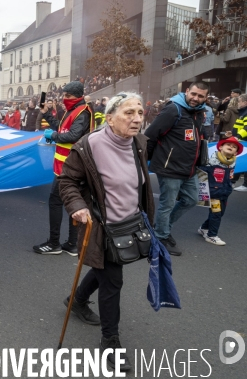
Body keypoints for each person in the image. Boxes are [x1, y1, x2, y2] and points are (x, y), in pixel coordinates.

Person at [59, 92, 154, 373]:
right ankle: (110, 342)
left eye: (139, 112)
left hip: (131, 223)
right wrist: (77, 206)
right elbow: (67, 181)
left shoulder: (139, 142)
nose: (137, 118)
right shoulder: (88, 146)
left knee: (106, 266)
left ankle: (75, 301)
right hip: (101, 226)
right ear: (110, 118)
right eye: (129, 113)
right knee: (113, 281)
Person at [144, 81, 208, 256]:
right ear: (187, 91)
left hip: (189, 168)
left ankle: (163, 228)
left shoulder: (199, 112)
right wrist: (145, 160)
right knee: (167, 203)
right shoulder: (173, 109)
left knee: (191, 200)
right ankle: (161, 236)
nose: (196, 98)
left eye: (200, 96)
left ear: (205, 97)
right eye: (193, 94)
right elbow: (150, 134)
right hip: (169, 168)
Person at [32, 81, 93, 256]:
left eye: (68, 96)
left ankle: (54, 243)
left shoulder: (81, 112)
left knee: (57, 201)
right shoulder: (74, 110)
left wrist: (55, 136)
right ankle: (72, 244)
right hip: (67, 165)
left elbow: (72, 135)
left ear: (77, 96)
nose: (64, 98)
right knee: (72, 203)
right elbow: (62, 128)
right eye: (64, 95)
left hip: (70, 167)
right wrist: (46, 115)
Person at [198, 137, 242, 245]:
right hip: (214, 193)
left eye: (234, 147)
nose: (231, 147)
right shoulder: (210, 162)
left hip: (225, 192)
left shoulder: (232, 163)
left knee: (220, 213)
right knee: (216, 214)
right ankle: (211, 235)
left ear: (236, 152)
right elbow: (200, 174)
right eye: (229, 145)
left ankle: (204, 228)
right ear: (221, 147)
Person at [231, 94, 247, 191]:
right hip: (241, 141)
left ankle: (245, 185)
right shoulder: (243, 112)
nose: (238, 103)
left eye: (239, 101)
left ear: (245, 102)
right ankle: (233, 182)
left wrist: (238, 136)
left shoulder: (245, 112)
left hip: (244, 141)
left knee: (243, 162)